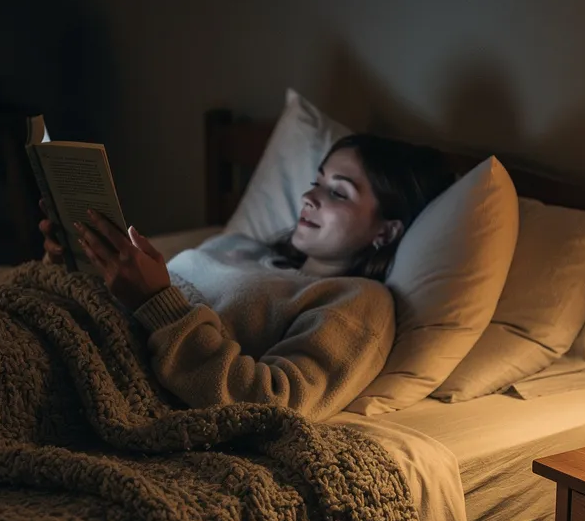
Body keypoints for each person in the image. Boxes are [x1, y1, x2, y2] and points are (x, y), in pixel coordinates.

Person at [39, 135, 454, 420]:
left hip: (95, 378)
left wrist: (158, 305)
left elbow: (273, 403)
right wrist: (73, 265)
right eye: (317, 182)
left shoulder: (356, 302)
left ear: (386, 231)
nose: (309, 197)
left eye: (338, 192)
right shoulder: (245, 247)